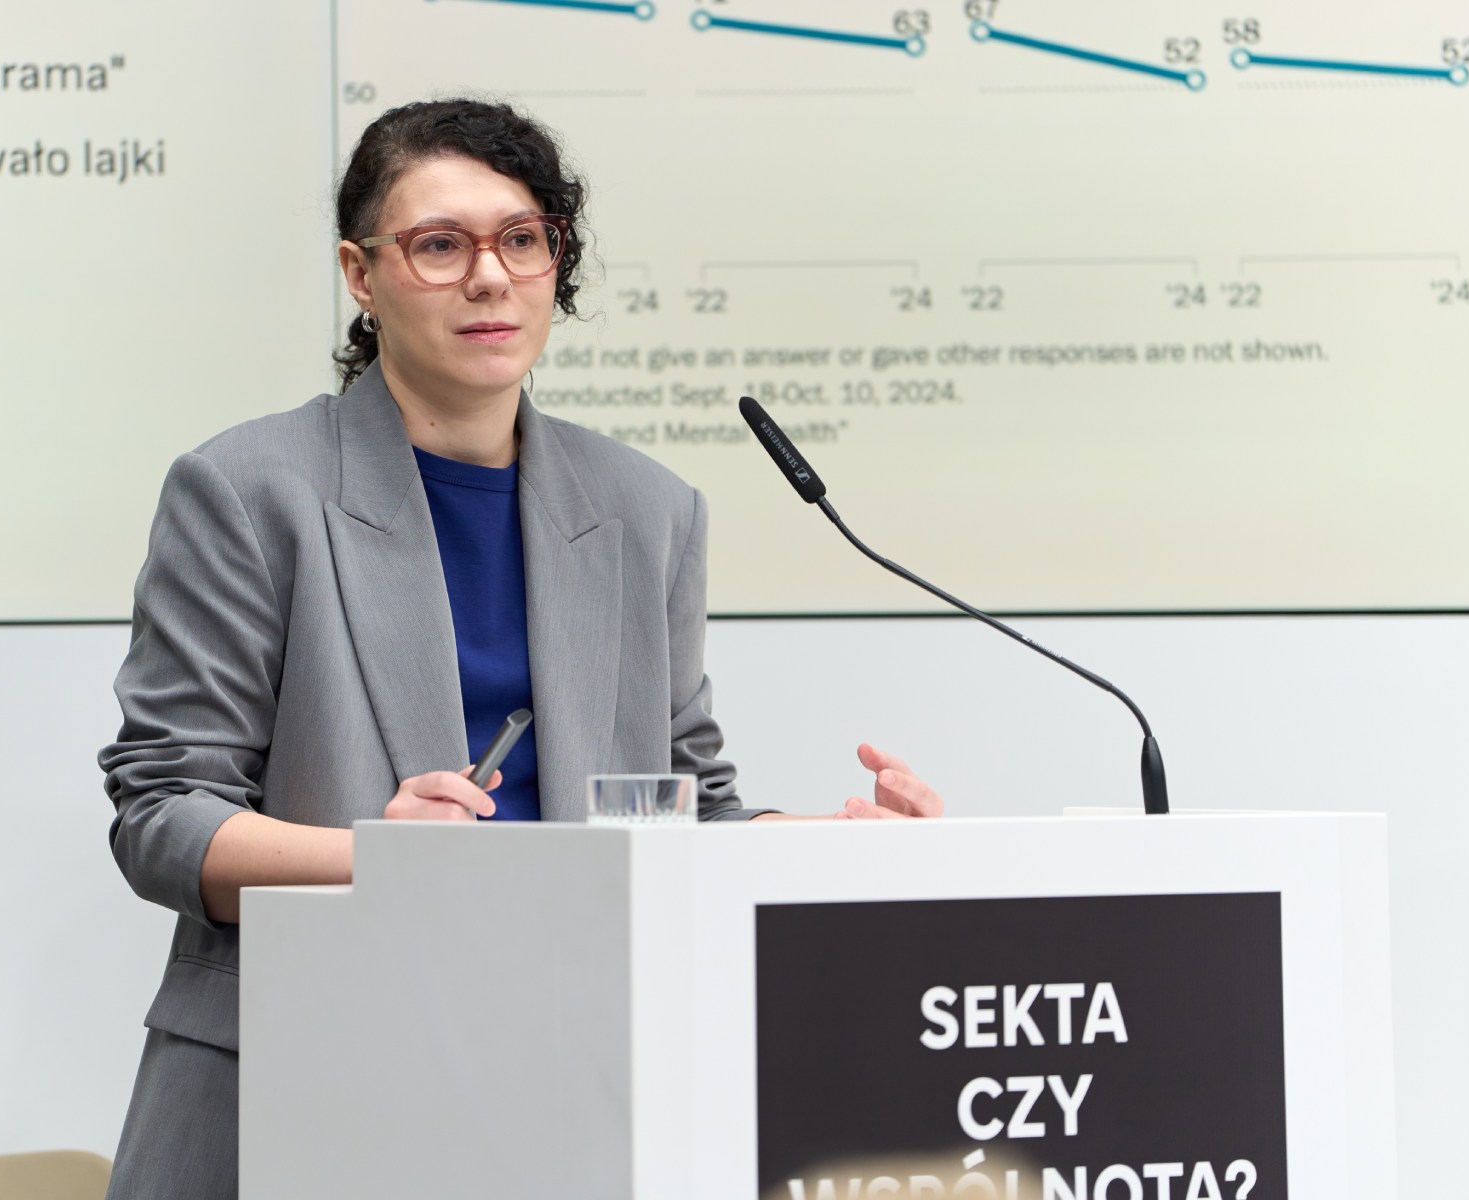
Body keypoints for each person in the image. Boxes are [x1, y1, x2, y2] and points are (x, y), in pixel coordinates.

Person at [96, 97, 943, 1198]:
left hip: (569, 1081)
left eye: (522, 239)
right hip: (307, 1083)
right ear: (361, 274)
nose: (490, 278)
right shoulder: (249, 491)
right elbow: (163, 816)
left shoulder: (645, 510)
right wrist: (372, 856)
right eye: (440, 245)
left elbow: (684, 810)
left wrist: (829, 847)